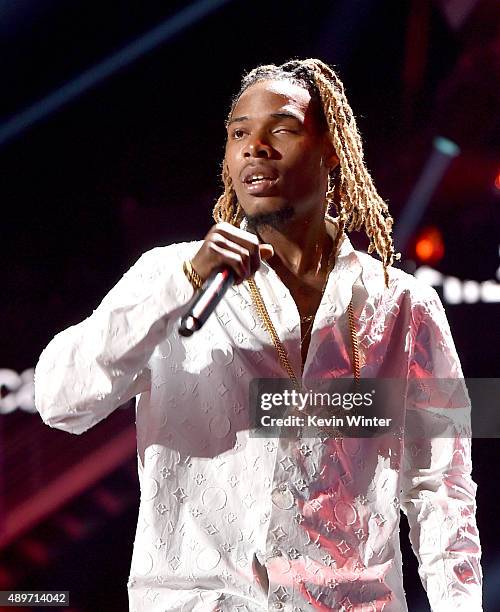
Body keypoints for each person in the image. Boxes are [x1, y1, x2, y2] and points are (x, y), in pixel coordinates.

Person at [34, 59, 482, 611]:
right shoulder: (168, 278)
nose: (255, 146)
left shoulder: (404, 305)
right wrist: (181, 286)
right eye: (239, 133)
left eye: (283, 129)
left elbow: (442, 489)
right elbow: (58, 400)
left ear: (331, 154)